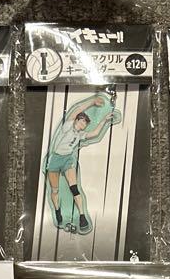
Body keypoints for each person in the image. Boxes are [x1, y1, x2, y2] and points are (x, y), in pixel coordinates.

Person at [43, 95, 120, 234]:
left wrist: (104, 120)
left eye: (85, 123)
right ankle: (57, 211)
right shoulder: (67, 126)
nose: (83, 124)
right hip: (55, 159)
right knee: (54, 190)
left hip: (67, 160)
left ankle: (82, 216)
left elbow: (95, 133)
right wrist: (92, 102)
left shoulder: (80, 135)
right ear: (77, 120)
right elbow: (76, 110)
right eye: (82, 121)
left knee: (74, 189)